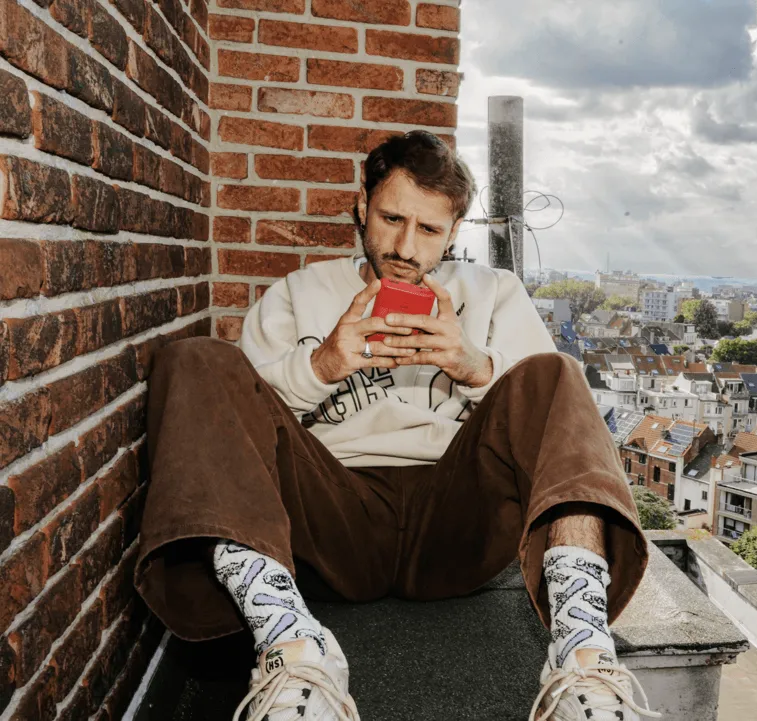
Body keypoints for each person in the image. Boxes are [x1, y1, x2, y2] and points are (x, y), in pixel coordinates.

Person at [134, 130, 660, 721]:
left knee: (557, 372)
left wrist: (472, 365)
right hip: (333, 517)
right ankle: (291, 649)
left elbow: (559, 423)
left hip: (456, 513)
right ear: (362, 207)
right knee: (196, 359)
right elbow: (234, 432)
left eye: (430, 230)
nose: (406, 247)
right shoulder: (297, 294)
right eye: (391, 218)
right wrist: (322, 365)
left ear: (454, 233)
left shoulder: (494, 293)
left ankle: (584, 664)